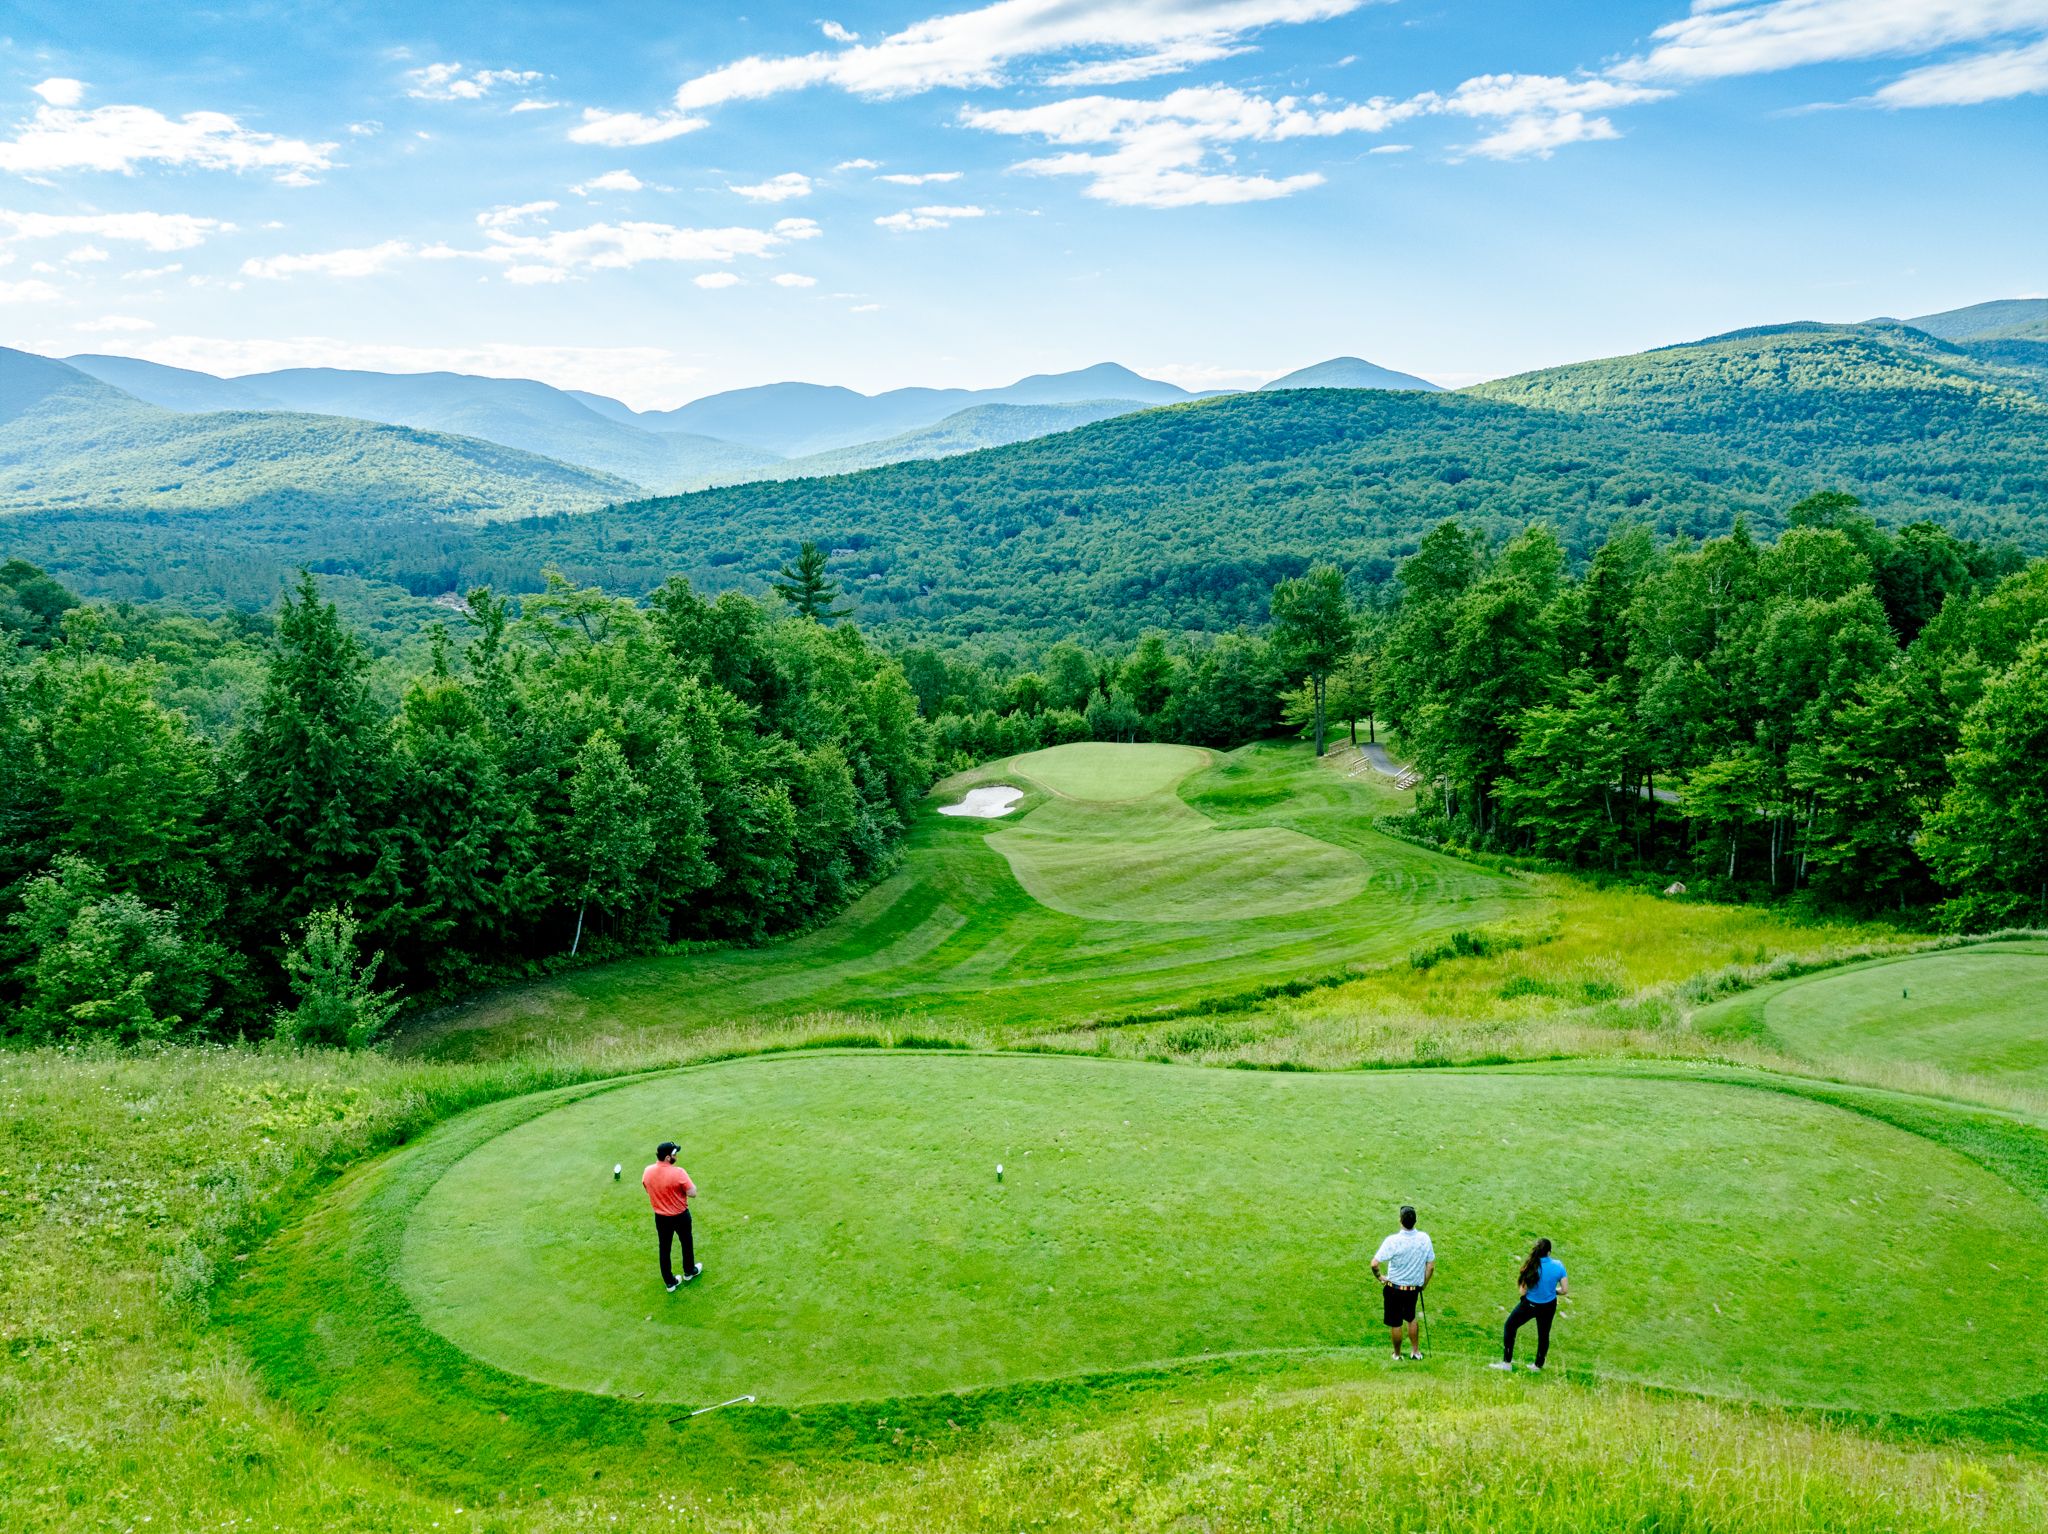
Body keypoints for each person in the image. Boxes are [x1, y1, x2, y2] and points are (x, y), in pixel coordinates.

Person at [1491, 1237, 1567, 1372]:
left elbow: (1522, 1291)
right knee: (1544, 1335)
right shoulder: (1559, 1266)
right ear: (1549, 1252)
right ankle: (1538, 1366)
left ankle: (1507, 1363)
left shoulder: (1531, 1267)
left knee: (1510, 1326)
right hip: (1549, 1306)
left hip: (1530, 1305)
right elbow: (1564, 1290)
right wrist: (1552, 1291)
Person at [1370, 1204, 1435, 1361]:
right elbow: (1431, 1266)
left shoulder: (1393, 1241)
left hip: (1394, 1288)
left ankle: (1397, 1354)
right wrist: (1423, 1284)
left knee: (1396, 1322)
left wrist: (1380, 1277)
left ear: (1400, 1221)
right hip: (1413, 1289)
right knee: (1411, 1318)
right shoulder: (1424, 1239)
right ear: (1415, 1221)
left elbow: (1374, 1264)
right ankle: (1415, 1351)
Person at [642, 1141, 702, 1292]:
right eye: (675, 1154)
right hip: (680, 1215)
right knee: (686, 1242)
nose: (677, 1156)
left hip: (661, 1218)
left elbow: (647, 1187)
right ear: (668, 1157)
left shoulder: (647, 1171)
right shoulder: (678, 1172)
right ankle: (689, 1271)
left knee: (664, 1248)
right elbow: (692, 1193)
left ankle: (670, 1282)